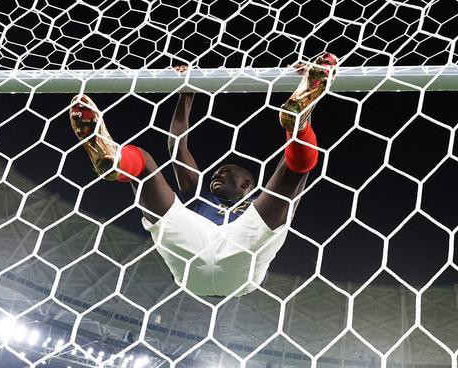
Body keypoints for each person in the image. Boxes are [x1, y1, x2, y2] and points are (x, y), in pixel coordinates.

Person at [70, 53, 338, 297]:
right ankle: (112, 158)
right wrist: (186, 93)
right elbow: (177, 145)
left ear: (247, 184)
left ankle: (300, 118)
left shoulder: (256, 205)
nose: (216, 175)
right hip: (192, 241)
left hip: (240, 253)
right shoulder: (200, 193)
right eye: (218, 172)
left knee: (290, 179)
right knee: (143, 164)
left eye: (226, 173)